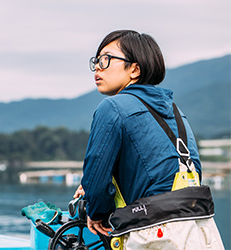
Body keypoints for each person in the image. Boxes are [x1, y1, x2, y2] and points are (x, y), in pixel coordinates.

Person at [73, 30, 224, 249]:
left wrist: (96, 212)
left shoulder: (112, 107)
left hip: (156, 235)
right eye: (96, 61)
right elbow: (184, 173)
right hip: (203, 229)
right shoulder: (175, 111)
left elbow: (96, 181)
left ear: (134, 69)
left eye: (106, 59)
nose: (98, 66)